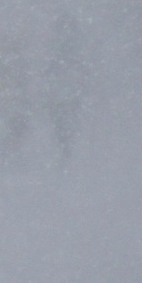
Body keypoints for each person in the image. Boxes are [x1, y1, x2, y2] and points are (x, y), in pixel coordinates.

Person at [44, 12, 87, 167]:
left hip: (64, 96)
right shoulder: (71, 53)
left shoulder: (59, 53)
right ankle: (65, 157)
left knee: (63, 129)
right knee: (64, 128)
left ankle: (65, 157)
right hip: (65, 96)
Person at [0, 30, 33, 168]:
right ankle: (8, 158)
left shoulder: (10, 60)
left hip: (14, 101)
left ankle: (9, 157)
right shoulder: (7, 60)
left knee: (17, 129)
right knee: (14, 129)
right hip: (10, 101)